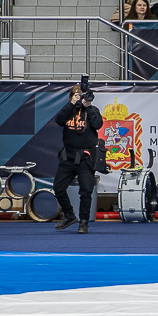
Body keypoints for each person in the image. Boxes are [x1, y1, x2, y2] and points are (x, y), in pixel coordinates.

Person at [52, 84, 104, 234]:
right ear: (71, 97)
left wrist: (88, 106)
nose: (80, 98)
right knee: (58, 188)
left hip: (85, 158)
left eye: (82, 95)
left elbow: (98, 124)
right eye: (77, 95)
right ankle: (69, 215)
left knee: (86, 192)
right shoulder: (68, 110)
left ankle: (83, 222)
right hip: (68, 156)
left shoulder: (92, 111)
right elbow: (59, 120)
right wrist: (71, 104)